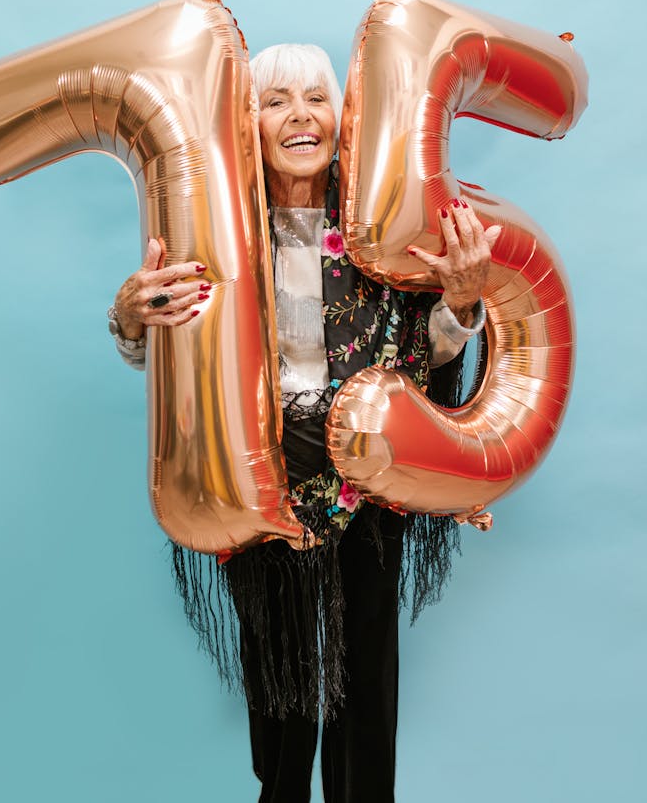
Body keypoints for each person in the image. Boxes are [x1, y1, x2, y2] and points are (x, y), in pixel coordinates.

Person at [107, 44, 499, 803]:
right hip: (265, 481)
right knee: (279, 701)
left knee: (365, 698)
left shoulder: (380, 232)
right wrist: (129, 318)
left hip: (368, 479)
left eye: (315, 98)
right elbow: (170, 357)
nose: (298, 115)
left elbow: (424, 350)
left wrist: (461, 303)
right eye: (275, 100)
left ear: (341, 120)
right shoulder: (216, 236)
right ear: (244, 125)